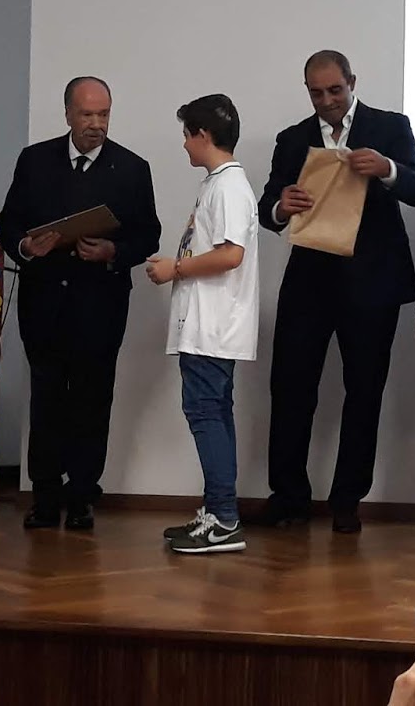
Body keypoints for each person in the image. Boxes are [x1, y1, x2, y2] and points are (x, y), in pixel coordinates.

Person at [254, 50, 415, 533]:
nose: (327, 100)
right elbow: (268, 207)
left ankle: (347, 501)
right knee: (290, 388)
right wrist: (281, 206)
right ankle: (288, 496)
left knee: (365, 392)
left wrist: (387, 168)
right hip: (308, 282)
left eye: (335, 90)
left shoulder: (389, 126)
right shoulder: (292, 139)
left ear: (352, 81)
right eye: (317, 93)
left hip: (372, 282)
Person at [0, 77, 160, 531]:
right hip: (44, 300)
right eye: (87, 114)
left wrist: (113, 252)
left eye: (103, 114)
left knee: (92, 399)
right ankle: (45, 496)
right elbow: (8, 224)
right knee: (47, 399)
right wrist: (27, 247)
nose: (96, 124)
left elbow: (148, 234)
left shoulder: (132, 168)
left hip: (100, 304)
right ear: (68, 113)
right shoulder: (35, 161)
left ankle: (84, 493)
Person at [147, 94, 260, 555]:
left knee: (206, 413)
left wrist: (174, 268)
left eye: (186, 134)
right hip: (209, 323)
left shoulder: (229, 186)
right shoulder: (219, 183)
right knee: (212, 412)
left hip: (214, 325)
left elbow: (231, 254)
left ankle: (224, 518)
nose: (184, 144)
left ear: (204, 135)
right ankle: (218, 511)